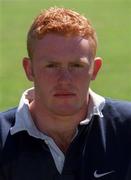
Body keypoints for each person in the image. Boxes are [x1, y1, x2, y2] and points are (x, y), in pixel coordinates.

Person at [0, 7, 131, 180]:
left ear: (94, 69)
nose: (64, 80)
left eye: (76, 66)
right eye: (52, 66)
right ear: (29, 69)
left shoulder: (127, 127)